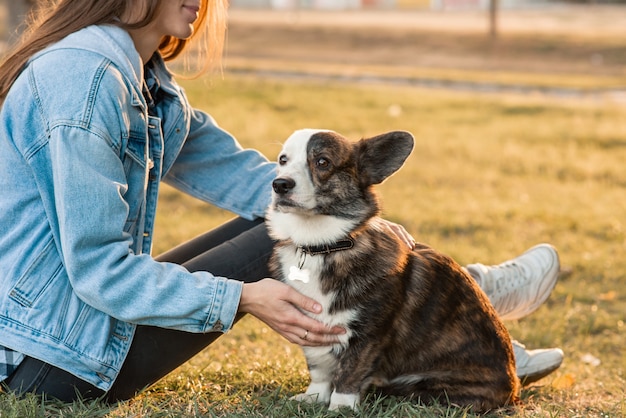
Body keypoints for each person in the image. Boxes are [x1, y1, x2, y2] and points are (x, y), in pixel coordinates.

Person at [0, 0, 562, 404]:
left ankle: (465, 304)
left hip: (73, 324)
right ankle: (475, 302)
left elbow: (254, 182)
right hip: (51, 358)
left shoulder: (144, 82)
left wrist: (385, 239)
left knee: (302, 214)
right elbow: (99, 269)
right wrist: (242, 297)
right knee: (293, 228)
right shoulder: (86, 81)